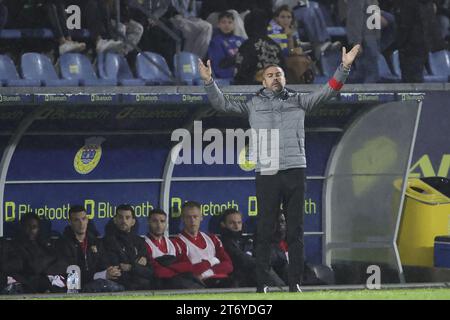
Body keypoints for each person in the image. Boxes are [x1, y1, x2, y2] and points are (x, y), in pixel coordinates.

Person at [199, 44, 360, 293]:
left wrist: (344, 67)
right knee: (264, 230)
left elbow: (330, 90)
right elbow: (222, 104)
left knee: (295, 231)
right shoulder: (253, 104)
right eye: (270, 75)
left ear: (285, 78)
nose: (276, 77)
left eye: (279, 74)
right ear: (263, 81)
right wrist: (209, 81)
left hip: (295, 169)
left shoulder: (300, 101)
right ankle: (262, 283)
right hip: (268, 173)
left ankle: (295, 283)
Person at [56, 205, 124, 293]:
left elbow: (103, 264)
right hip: (73, 288)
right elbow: (71, 275)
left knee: (117, 287)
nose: (81, 223)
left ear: (87, 220)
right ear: (69, 222)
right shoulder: (62, 243)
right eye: (77, 220)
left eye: (84, 219)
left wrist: (111, 272)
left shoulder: (95, 242)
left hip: (95, 284)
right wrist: (101, 275)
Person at [172, 201, 234, 288]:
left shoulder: (212, 239)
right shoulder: (177, 242)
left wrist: (207, 272)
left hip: (222, 280)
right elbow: (190, 271)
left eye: (195, 217)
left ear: (201, 217)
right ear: (182, 219)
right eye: (188, 217)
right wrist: (212, 261)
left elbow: (228, 265)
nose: (192, 220)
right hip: (199, 284)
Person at [219, 208, 285, 288]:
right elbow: (242, 259)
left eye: (239, 223)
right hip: (239, 277)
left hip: (252, 274)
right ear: (223, 224)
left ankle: (296, 287)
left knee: (282, 264)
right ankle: (282, 290)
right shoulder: (224, 242)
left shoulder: (246, 240)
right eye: (232, 223)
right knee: (261, 267)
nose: (236, 226)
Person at [143, 208, 204, 289]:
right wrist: (176, 269)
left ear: (166, 223)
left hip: (177, 279)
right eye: (155, 221)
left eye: (162, 221)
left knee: (192, 277)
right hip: (160, 283)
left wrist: (170, 269)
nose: (159, 225)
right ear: (148, 222)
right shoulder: (144, 244)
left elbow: (187, 264)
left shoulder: (173, 242)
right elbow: (157, 271)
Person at [103, 204, 155, 290]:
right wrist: (138, 266)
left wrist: (131, 267)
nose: (124, 221)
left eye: (127, 218)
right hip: (122, 287)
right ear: (115, 220)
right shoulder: (108, 241)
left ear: (133, 222)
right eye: (120, 217)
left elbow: (150, 271)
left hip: (143, 287)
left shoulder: (140, 241)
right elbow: (117, 270)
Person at [9, 213, 66, 293]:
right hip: (26, 288)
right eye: (27, 227)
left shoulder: (43, 244)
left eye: (34, 227)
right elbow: (34, 267)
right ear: (22, 227)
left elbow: (61, 264)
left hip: (48, 287)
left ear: (39, 229)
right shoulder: (15, 246)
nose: (31, 230)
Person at [234, 9, 286, 85]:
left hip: (254, 88)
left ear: (248, 26)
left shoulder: (247, 46)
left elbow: (240, 74)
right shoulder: (275, 45)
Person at [267, 5, 315, 84]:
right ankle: (302, 86)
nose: (286, 20)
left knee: (305, 59)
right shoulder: (271, 30)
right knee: (299, 61)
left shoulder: (292, 31)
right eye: (282, 17)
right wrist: (293, 49)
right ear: (276, 18)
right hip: (276, 60)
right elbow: (283, 52)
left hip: (288, 59)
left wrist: (294, 47)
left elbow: (291, 50)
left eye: (289, 17)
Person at [207, 11, 244, 79]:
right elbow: (218, 66)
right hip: (226, 78)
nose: (227, 25)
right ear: (218, 25)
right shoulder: (215, 41)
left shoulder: (241, 40)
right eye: (223, 22)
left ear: (234, 25)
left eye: (230, 22)